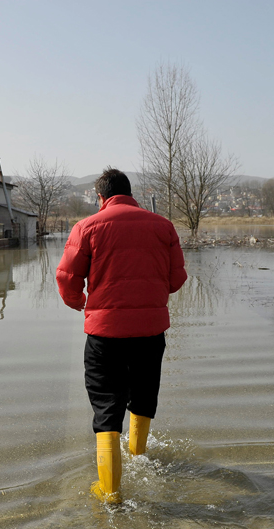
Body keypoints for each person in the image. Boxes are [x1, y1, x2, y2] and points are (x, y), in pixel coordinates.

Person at [56, 167, 187, 503]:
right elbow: (176, 280)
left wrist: (81, 303)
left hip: (105, 335)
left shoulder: (87, 227)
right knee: (143, 396)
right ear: (131, 194)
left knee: (107, 408)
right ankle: (138, 458)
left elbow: (67, 278)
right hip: (150, 332)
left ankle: (110, 493)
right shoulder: (163, 226)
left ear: (101, 197)